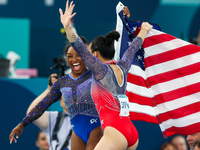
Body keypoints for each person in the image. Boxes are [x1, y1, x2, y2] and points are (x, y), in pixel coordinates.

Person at [59, 1, 152, 150]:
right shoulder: (123, 65)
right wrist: (144, 30)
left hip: (115, 132)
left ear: (95, 54)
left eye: (90, 52)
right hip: (131, 132)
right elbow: (133, 47)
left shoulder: (99, 69)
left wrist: (67, 26)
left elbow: (79, 47)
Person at [9, 36, 103, 150]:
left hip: (96, 128)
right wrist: (22, 124)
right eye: (70, 56)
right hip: (77, 132)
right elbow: (42, 105)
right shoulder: (62, 83)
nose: (74, 60)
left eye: (79, 55)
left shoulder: (97, 75)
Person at [26, 75, 72, 150]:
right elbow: (31, 114)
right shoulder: (55, 118)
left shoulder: (88, 118)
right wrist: (49, 90)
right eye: (65, 96)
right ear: (60, 102)